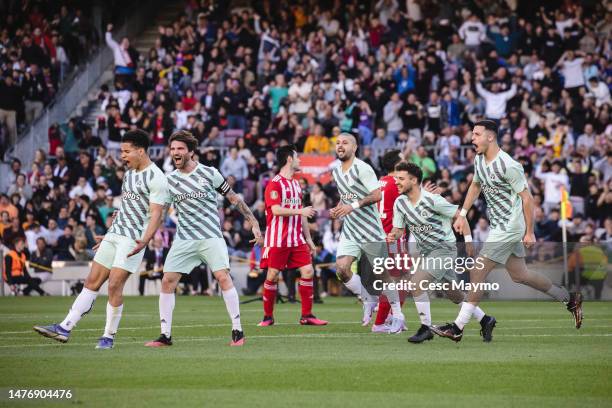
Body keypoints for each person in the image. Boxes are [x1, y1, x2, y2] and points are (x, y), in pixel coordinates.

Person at [432, 120, 582, 342]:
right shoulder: (479, 160)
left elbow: (527, 198)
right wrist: (462, 214)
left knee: (477, 270)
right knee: (520, 275)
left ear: (490, 137)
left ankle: (458, 327)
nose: (471, 138)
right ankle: (569, 298)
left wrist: (529, 232)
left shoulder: (509, 165)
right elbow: (475, 185)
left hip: (510, 226)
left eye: (476, 134)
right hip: (499, 225)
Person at [34, 130, 169, 349]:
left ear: (141, 151)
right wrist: (109, 233)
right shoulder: (130, 174)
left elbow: (156, 214)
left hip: (133, 239)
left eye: (126, 152)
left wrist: (145, 241)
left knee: (115, 284)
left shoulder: (157, 178)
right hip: (115, 234)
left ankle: (108, 336)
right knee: (91, 281)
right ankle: (65, 327)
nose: (122, 156)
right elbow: (128, 207)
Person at [145, 131, 262, 348]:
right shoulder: (168, 181)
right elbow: (159, 213)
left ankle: (238, 331)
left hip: (210, 236)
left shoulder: (210, 173)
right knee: (167, 281)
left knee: (222, 277)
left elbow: (233, 198)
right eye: (172, 149)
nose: (175, 153)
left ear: (191, 151)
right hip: (184, 239)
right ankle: (165, 335)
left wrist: (254, 222)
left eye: (180, 149)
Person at [386, 162, 496, 343]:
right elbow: (398, 229)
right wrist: (393, 235)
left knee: (417, 283)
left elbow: (460, 215)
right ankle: (485, 320)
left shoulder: (433, 200)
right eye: (396, 178)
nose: (396, 182)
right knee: (455, 294)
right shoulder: (400, 203)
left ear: (413, 180)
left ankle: (425, 328)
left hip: (443, 249)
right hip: (426, 252)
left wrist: (468, 242)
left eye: (400, 178)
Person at [329, 133, 404, 333]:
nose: (340, 146)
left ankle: (397, 315)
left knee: (384, 275)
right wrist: (338, 208)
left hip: (370, 230)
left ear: (354, 148)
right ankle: (367, 299)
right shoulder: (336, 172)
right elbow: (345, 197)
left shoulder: (363, 168)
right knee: (342, 269)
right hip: (350, 230)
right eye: (337, 143)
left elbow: (377, 194)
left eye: (345, 143)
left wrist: (351, 206)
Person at [257, 145, 328, 327]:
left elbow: (301, 214)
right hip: (277, 239)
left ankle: (307, 315)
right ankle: (268, 316)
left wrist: (309, 239)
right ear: (289, 159)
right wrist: (300, 210)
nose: (300, 160)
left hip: (296, 239)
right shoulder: (274, 184)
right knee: (272, 275)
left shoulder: (297, 184)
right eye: (297, 157)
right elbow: (276, 210)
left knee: (308, 271)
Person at [370, 150, 406, 332]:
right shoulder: (398, 184)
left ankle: (393, 316)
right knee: (398, 281)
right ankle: (381, 322)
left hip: (380, 235)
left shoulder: (380, 182)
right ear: (397, 164)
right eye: (404, 159)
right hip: (393, 236)